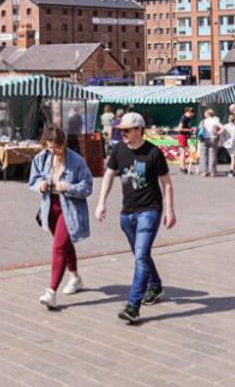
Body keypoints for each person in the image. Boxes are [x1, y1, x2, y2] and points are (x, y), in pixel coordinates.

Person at [95, 112, 175, 324]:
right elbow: (110, 174)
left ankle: (133, 305)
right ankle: (155, 285)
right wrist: (102, 201)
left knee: (140, 256)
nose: (122, 134)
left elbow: (166, 183)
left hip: (149, 211)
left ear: (139, 130)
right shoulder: (119, 150)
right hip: (127, 214)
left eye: (127, 130)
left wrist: (169, 210)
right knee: (142, 254)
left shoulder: (154, 153)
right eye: (121, 130)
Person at [29, 125, 93, 310]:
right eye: (49, 147)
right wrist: (40, 185)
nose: (53, 151)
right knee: (64, 244)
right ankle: (75, 277)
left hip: (70, 209)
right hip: (50, 209)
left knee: (58, 246)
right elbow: (32, 181)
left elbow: (88, 186)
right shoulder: (42, 158)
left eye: (56, 147)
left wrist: (69, 187)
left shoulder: (76, 160)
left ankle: (51, 292)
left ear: (63, 143)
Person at [197, 108, 223, 177]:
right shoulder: (215, 121)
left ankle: (204, 171)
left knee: (203, 156)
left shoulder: (203, 121)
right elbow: (222, 128)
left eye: (205, 113)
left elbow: (199, 130)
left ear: (207, 114)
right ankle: (212, 172)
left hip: (204, 139)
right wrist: (217, 134)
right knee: (212, 155)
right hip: (213, 139)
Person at [175, 107, 194, 174]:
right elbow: (179, 128)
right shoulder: (184, 118)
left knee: (182, 152)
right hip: (182, 136)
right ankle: (183, 167)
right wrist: (189, 130)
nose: (192, 115)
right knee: (183, 152)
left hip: (183, 136)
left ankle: (182, 167)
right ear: (188, 112)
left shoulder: (187, 118)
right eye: (191, 113)